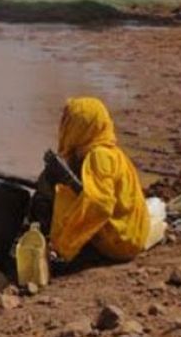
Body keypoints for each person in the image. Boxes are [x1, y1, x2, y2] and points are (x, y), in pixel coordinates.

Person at [47, 96, 149, 263]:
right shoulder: (108, 152)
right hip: (130, 235)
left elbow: (99, 205)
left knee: (64, 194)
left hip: (119, 241)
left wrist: (62, 247)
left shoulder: (99, 156)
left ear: (81, 125)